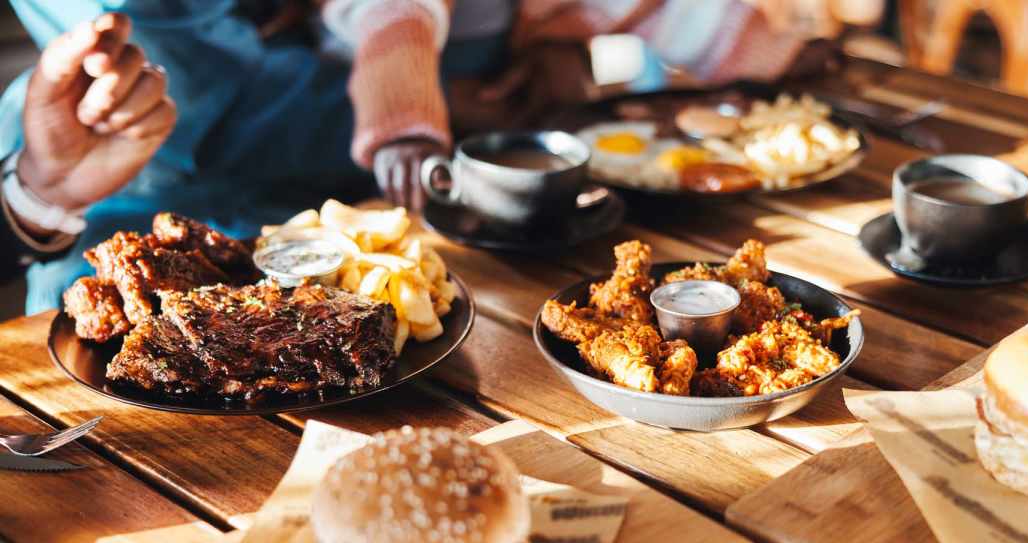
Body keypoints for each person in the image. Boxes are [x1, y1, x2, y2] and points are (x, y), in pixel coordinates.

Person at [3, 0, 875, 316]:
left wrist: (554, 61)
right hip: (163, 272)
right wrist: (434, 108)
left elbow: (656, 21)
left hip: (437, 265)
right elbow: (195, 121)